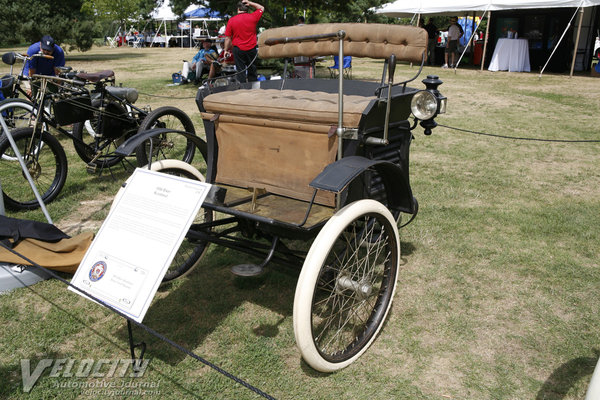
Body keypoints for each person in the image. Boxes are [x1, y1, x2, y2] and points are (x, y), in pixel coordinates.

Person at [224, 0, 264, 82]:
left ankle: (242, 90)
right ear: (247, 9)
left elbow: (228, 38)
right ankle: (253, 90)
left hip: (238, 49)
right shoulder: (253, 17)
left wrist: (225, 50)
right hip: (252, 48)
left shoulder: (232, 20)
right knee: (252, 70)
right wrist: (250, 2)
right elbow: (261, 8)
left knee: (240, 71)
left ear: (238, 9)